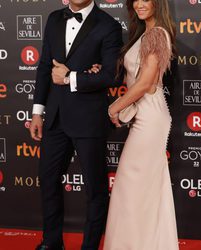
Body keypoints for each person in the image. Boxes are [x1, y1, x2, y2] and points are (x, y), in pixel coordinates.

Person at [29, 0, 123, 249]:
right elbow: (44, 68)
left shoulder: (108, 25)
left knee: (95, 189)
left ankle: (89, 247)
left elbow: (111, 75)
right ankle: (51, 242)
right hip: (55, 118)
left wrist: (70, 77)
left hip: (88, 119)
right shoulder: (53, 19)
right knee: (48, 181)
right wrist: (38, 111)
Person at [100, 0, 179, 248]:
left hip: (151, 119)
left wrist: (115, 106)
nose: (140, 4)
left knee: (132, 186)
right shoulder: (144, 34)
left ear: (158, 4)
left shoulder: (156, 34)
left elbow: (145, 83)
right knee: (139, 189)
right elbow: (136, 77)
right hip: (142, 115)